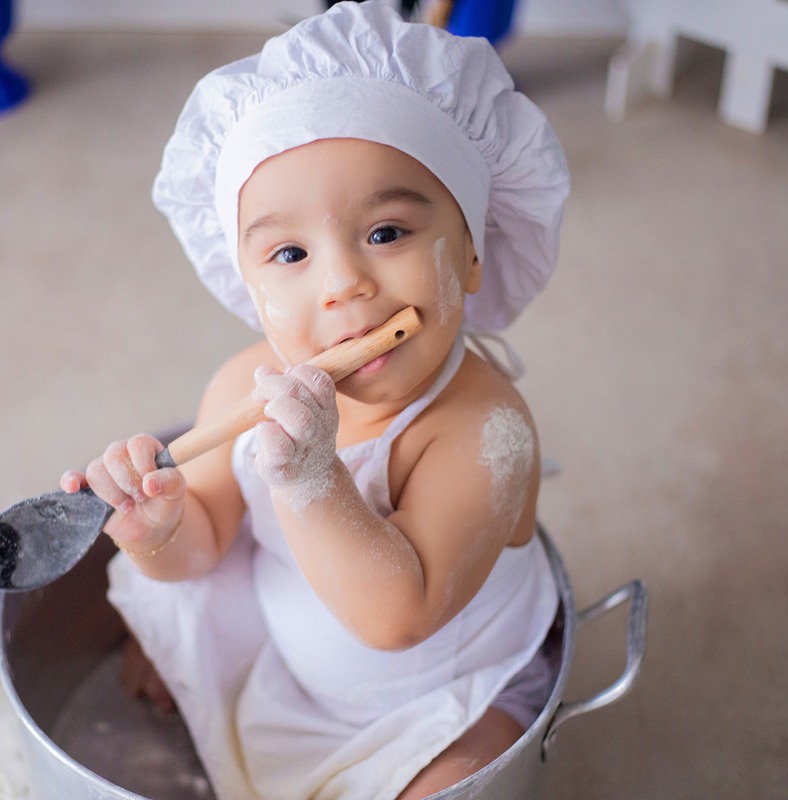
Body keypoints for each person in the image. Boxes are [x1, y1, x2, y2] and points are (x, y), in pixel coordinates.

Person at [60, 3, 570, 798]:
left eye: (387, 233)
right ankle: (203, 675)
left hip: (448, 700)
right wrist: (157, 532)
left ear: (471, 251)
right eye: (291, 252)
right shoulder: (243, 385)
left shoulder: (483, 428)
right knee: (187, 587)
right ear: (248, 285)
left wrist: (311, 479)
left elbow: (399, 617)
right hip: (290, 681)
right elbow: (205, 543)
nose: (342, 284)